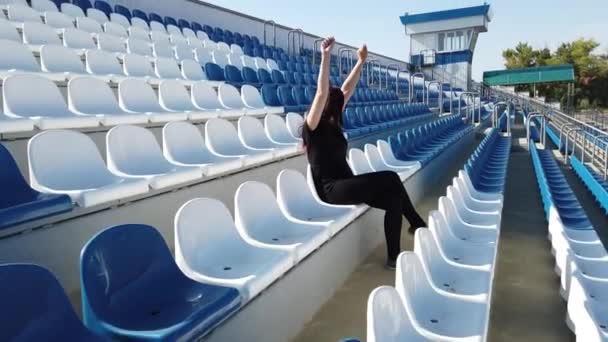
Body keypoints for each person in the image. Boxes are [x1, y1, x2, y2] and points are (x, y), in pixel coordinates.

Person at [302, 37, 426, 269]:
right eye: (334, 100)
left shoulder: (333, 124)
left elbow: (348, 88)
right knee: (390, 177)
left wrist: (361, 62)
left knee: (393, 200)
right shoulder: (312, 126)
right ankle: (417, 223)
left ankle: (393, 257)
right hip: (330, 189)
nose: (340, 102)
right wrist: (325, 56)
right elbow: (321, 93)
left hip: (346, 183)